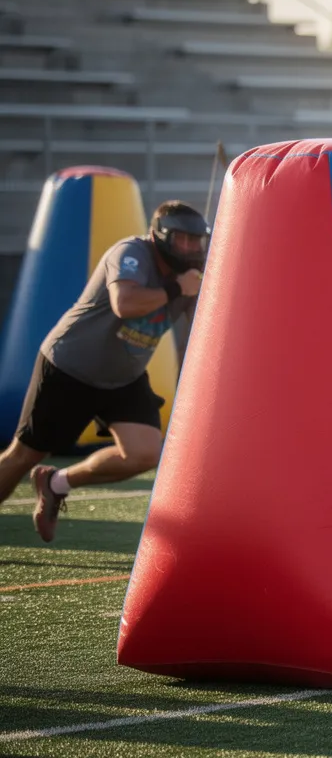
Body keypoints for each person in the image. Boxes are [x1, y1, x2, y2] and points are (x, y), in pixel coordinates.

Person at [0, 201, 207, 542]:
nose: (188, 247)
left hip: (124, 377)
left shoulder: (191, 275)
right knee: (24, 455)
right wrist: (176, 289)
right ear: (159, 235)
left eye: (194, 240)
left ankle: (56, 483)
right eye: (181, 239)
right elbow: (124, 303)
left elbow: (202, 330)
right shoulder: (131, 253)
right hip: (70, 368)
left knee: (144, 454)